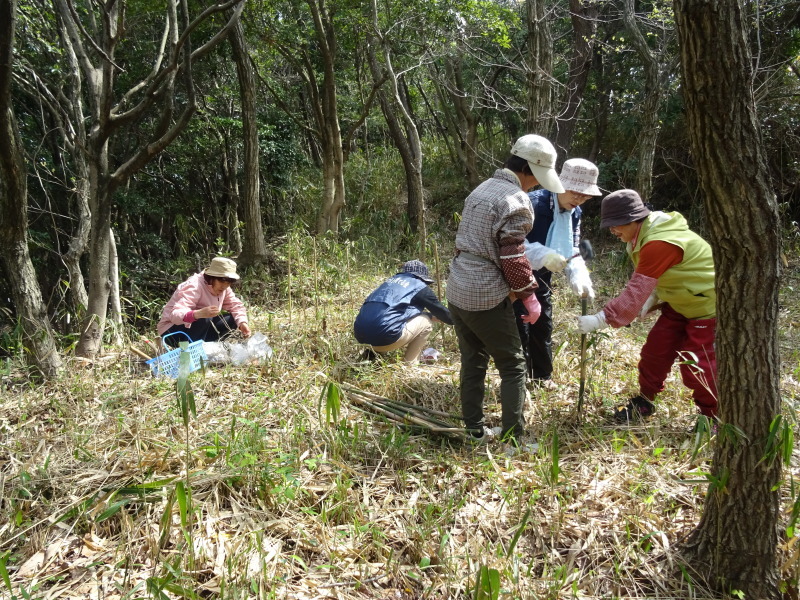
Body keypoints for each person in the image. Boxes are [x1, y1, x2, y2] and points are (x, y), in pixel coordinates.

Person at [446, 134, 565, 446]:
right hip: (484, 294)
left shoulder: (482, 189)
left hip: (458, 287)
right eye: (537, 179)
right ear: (529, 169)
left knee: (473, 360)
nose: (537, 186)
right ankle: (514, 440)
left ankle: (473, 429)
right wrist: (529, 294)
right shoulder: (516, 199)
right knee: (513, 365)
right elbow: (512, 254)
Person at [576, 189, 718, 421]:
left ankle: (713, 416)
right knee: (654, 353)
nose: (612, 230)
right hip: (678, 303)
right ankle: (645, 401)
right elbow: (654, 277)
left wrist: (601, 319)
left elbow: (635, 291)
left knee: (696, 366)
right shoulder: (639, 238)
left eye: (616, 224)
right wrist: (653, 297)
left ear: (634, 219)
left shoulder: (659, 241)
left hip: (705, 308)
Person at [515, 158, 601, 386]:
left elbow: (572, 245)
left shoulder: (574, 212)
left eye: (585, 196)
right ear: (560, 185)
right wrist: (541, 254)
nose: (579, 199)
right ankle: (518, 381)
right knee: (519, 327)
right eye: (575, 193)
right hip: (515, 276)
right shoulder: (533, 204)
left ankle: (542, 377)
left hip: (542, 277)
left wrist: (578, 271)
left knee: (543, 325)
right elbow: (513, 243)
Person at [353, 260, 452, 363]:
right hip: (386, 340)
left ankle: (371, 357)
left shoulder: (388, 283)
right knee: (426, 321)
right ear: (421, 277)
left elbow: (394, 312)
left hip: (361, 338)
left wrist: (429, 314)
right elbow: (445, 315)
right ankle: (410, 363)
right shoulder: (418, 285)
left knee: (381, 322)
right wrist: (463, 319)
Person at [158, 257, 251, 347]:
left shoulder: (225, 288)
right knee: (205, 318)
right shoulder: (195, 285)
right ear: (212, 277)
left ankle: (207, 348)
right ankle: (192, 351)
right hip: (172, 331)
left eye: (228, 282)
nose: (224, 286)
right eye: (222, 281)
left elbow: (235, 306)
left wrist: (242, 323)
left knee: (232, 319)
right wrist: (197, 314)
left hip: (197, 328)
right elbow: (175, 315)